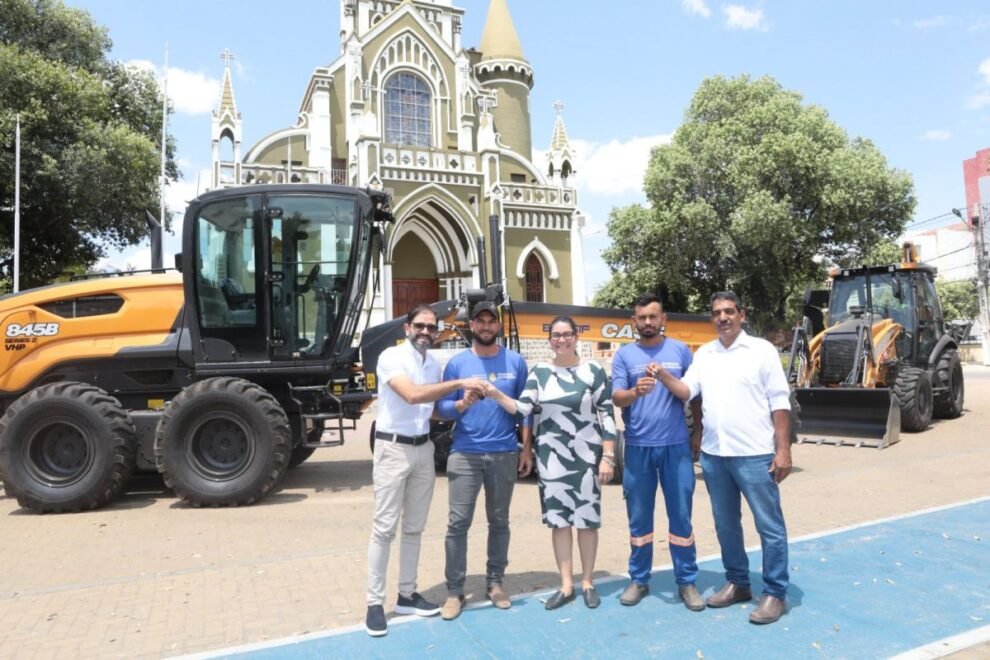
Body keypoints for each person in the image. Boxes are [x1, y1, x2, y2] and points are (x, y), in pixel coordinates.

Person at [652, 291, 793, 625]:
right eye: (717, 313)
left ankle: (775, 592)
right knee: (727, 525)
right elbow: (687, 391)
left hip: (756, 454)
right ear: (711, 318)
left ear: (741, 315)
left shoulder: (761, 350)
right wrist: (663, 376)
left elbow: (780, 401)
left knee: (769, 526)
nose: (723, 317)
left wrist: (783, 449)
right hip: (716, 457)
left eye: (729, 311)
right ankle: (739, 583)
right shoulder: (705, 354)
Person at [365, 304, 488, 637]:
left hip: (423, 450)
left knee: (415, 528)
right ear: (407, 328)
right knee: (384, 528)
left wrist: (462, 405)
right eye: (420, 326)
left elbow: (432, 411)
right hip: (392, 449)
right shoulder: (391, 358)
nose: (425, 332)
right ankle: (375, 604)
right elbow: (412, 395)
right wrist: (459, 383)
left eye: (431, 327)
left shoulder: (432, 363)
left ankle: (407, 594)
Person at [486, 316, 617, 610]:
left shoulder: (593, 370)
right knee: (559, 522)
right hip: (551, 458)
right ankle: (567, 585)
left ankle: (587, 582)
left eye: (567, 334)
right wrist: (494, 393)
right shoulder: (540, 372)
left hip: (586, 456)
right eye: (556, 336)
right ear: (550, 341)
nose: (561, 340)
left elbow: (607, 415)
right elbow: (523, 409)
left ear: (575, 337)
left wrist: (608, 456)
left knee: (586, 521)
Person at [435, 301, 533, 620]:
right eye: (481, 321)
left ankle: (495, 583)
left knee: (500, 521)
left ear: (498, 326)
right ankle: (454, 591)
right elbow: (442, 409)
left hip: (504, 452)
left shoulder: (516, 362)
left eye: (492, 321)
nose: (486, 326)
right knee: (457, 523)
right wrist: (462, 403)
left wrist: (526, 448)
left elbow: (525, 410)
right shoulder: (457, 364)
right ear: (472, 326)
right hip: (465, 453)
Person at [611, 292, 704, 611]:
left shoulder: (681, 351)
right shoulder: (624, 356)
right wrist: (635, 392)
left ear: (664, 319)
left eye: (654, 316)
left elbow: (694, 396)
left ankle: (687, 582)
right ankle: (638, 579)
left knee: (681, 517)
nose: (648, 322)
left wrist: (699, 433)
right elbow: (617, 398)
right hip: (638, 449)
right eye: (642, 317)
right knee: (638, 520)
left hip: (676, 448)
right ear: (633, 321)